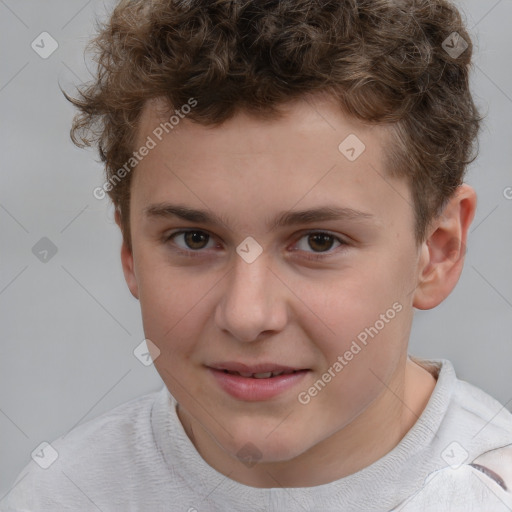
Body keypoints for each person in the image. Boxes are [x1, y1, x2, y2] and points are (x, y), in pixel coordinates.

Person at [2, 0, 511, 510]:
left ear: (439, 251)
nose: (247, 316)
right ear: (131, 252)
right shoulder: (63, 495)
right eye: (194, 239)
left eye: (319, 241)